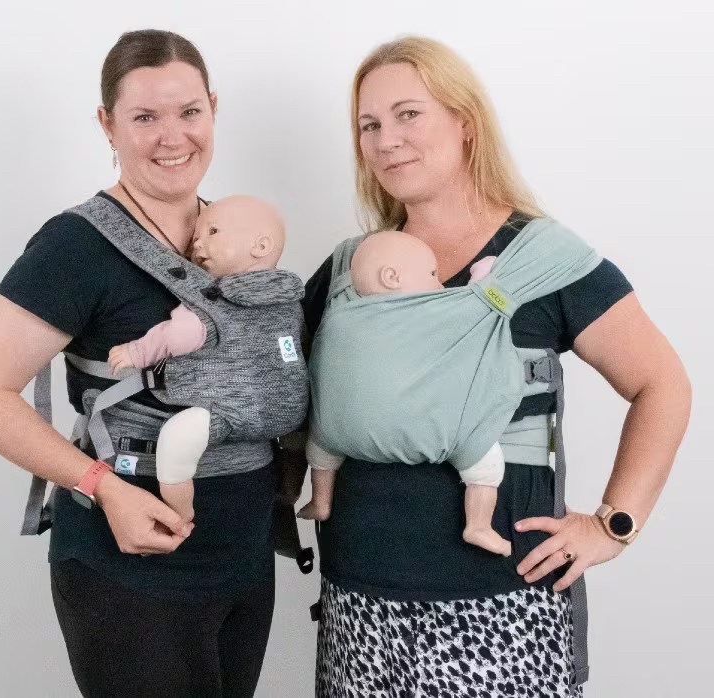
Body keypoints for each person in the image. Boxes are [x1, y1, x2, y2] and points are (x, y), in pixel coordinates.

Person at [295, 36, 691, 697]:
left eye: (408, 114)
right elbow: (283, 376)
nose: (386, 140)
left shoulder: (543, 259)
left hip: (506, 603)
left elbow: (663, 384)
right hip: (359, 601)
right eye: (369, 125)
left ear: (464, 121)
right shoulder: (349, 269)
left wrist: (613, 526)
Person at [0, 30, 281, 698]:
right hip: (129, 561)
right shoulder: (74, 246)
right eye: (145, 117)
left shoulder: (238, 232)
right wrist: (103, 488)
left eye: (189, 111)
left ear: (214, 108)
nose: (173, 136)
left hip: (242, 551)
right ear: (108, 124)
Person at [298, 232, 512, 556]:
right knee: (484, 464)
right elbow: (480, 312)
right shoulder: (430, 312)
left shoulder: (342, 306)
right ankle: (479, 525)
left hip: (336, 432)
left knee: (320, 452)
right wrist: (483, 279)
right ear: (392, 277)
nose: (440, 285)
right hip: (433, 431)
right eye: (432, 274)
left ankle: (320, 501)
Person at [106, 195, 298, 526]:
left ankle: (180, 510)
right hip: (288, 412)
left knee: (175, 440)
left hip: (227, 412)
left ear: (261, 246)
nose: (197, 244)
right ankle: (293, 486)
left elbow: (178, 335)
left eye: (213, 232)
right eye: (196, 236)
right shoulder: (289, 299)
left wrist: (135, 352)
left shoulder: (214, 300)